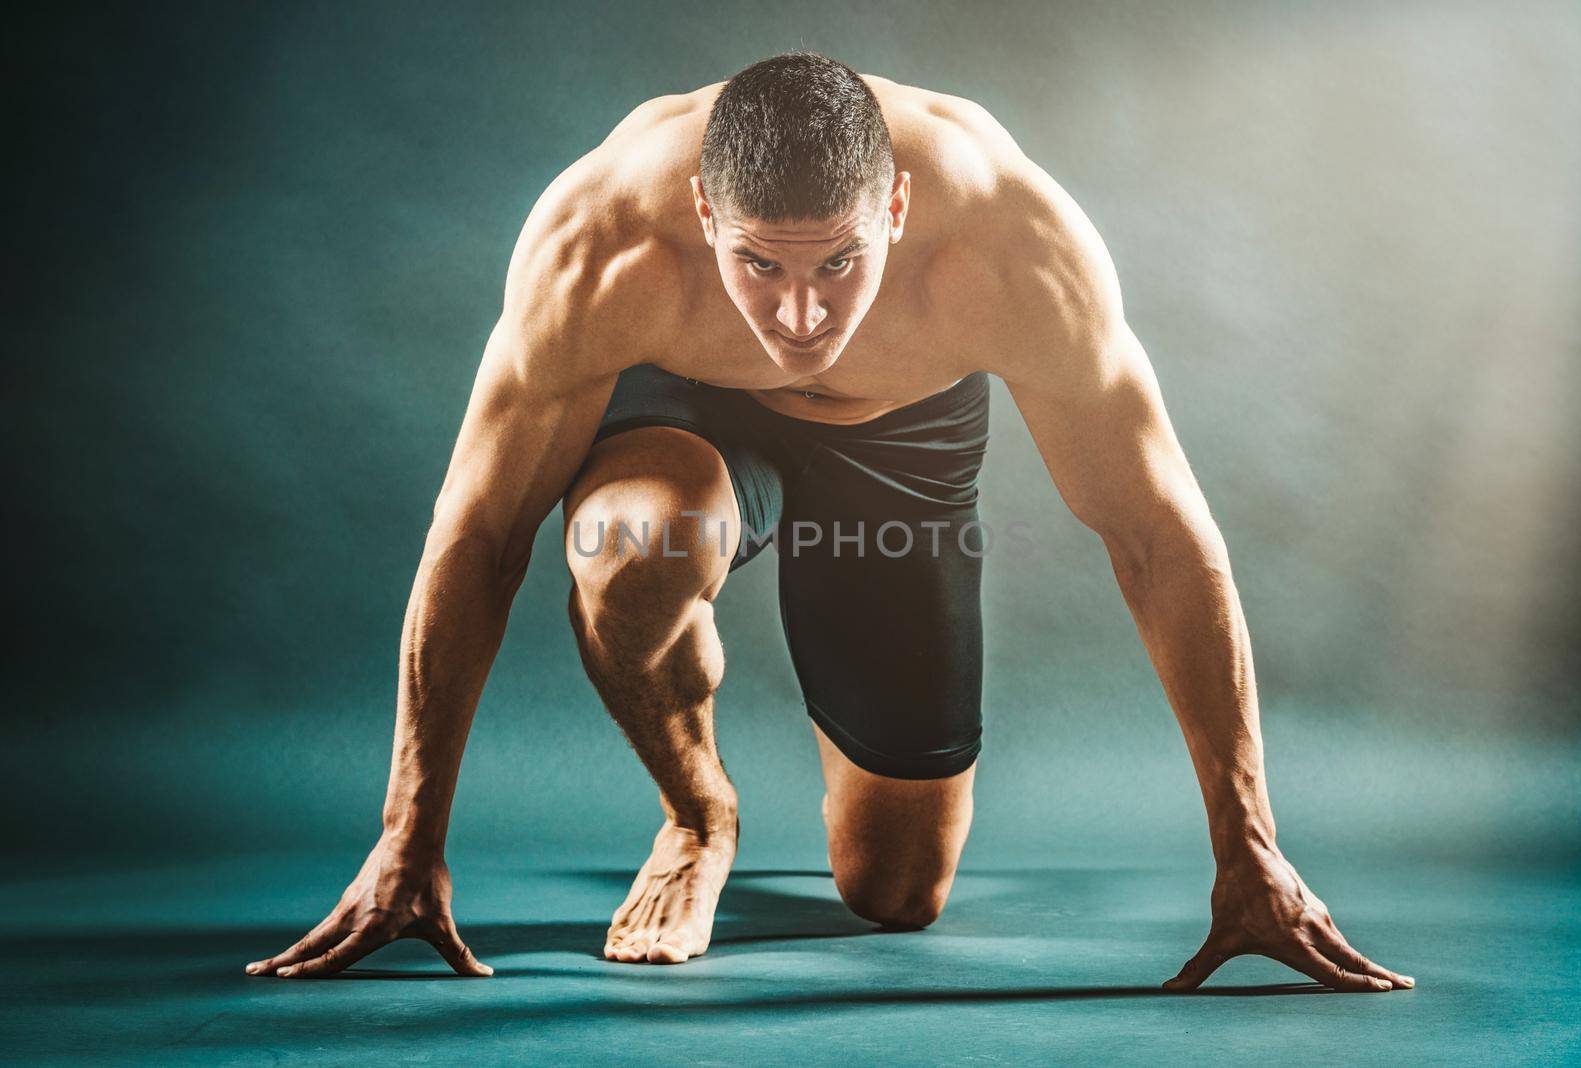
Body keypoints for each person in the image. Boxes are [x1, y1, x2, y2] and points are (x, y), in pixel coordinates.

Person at [245, 52, 1413, 992]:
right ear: (703, 212)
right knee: (625, 558)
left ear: (896, 209)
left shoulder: (1009, 245)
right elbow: (478, 533)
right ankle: (699, 817)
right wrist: (407, 838)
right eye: (757, 266)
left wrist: (1247, 848)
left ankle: (844, 805)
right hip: (691, 418)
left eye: (838, 266)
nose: (799, 319)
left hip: (902, 445)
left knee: (895, 896)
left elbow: (1159, 536)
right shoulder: (601, 242)